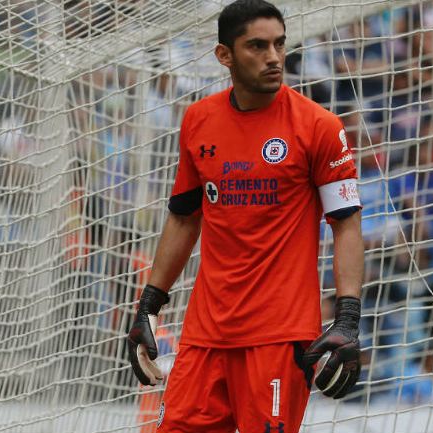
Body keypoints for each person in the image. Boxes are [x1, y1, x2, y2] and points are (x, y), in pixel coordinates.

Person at [125, 1, 365, 432]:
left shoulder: (320, 126)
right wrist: (149, 304)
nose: (274, 57)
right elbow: (184, 218)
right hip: (204, 334)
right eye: (257, 45)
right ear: (225, 55)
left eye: (279, 43)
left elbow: (346, 223)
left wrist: (347, 316)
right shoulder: (198, 121)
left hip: (279, 334)